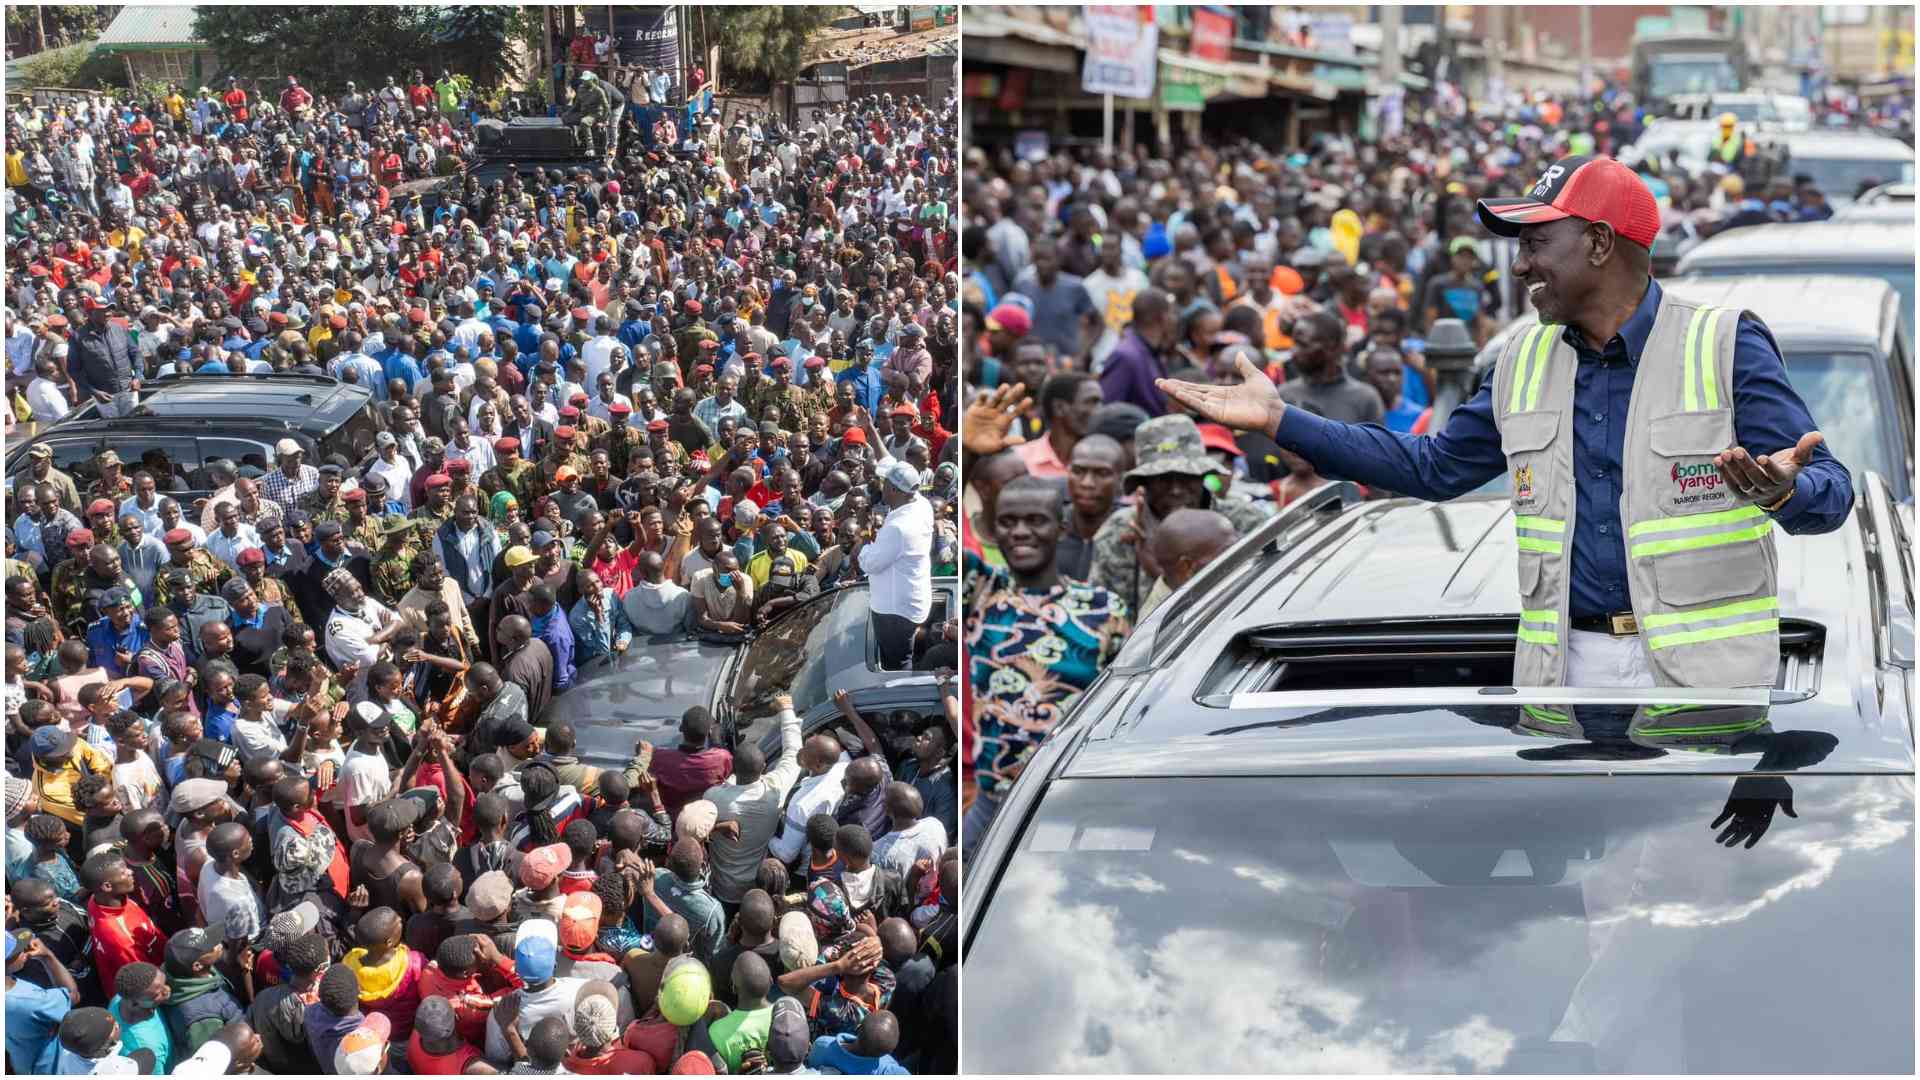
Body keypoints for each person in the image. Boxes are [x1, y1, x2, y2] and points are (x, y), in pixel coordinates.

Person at [1161, 155, 1852, 689]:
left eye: (1536, 242)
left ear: (1601, 244)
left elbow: (1830, 488)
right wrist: (1282, 420)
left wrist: (1784, 493)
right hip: (1564, 675)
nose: (1519, 264)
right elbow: (1430, 470)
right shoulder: (1521, 357)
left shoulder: (1724, 342)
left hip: (1709, 684)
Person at [861, 461, 935, 670]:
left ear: (893, 489)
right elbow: (889, 460)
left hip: (894, 612)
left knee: (898, 662)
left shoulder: (899, 528)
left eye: (884, 483)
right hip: (912, 600)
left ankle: (903, 697)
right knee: (906, 649)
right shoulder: (922, 504)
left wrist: (865, 534)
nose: (880, 486)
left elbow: (869, 564)